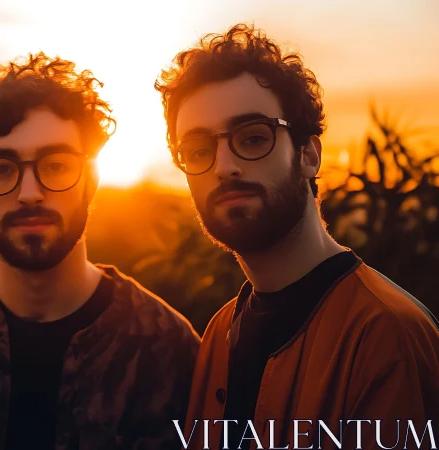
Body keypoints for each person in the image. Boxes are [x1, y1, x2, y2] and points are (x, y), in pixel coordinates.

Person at [0, 52, 200, 449]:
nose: (30, 193)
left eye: (56, 165)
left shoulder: (168, 350)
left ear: (91, 179)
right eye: (0, 169)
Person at [155, 24, 439, 450]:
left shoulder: (386, 334)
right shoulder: (219, 334)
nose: (224, 166)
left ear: (308, 155)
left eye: (253, 138)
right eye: (198, 150)